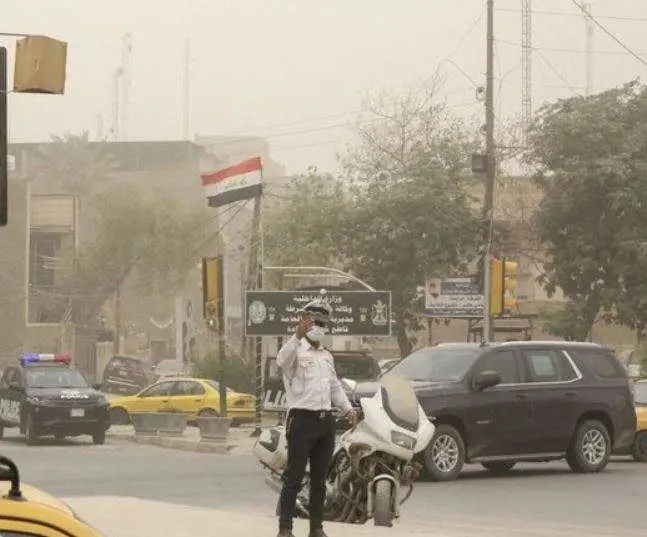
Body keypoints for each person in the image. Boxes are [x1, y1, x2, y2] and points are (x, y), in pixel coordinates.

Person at [276, 299, 358, 537]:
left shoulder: (326, 356)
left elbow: (335, 388)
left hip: (325, 423)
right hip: (302, 421)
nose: (318, 326)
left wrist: (348, 409)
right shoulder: (295, 350)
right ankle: (285, 528)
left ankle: (316, 528)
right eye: (314, 321)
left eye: (322, 322)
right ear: (305, 321)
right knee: (294, 476)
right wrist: (296, 336)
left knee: (320, 480)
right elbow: (281, 361)